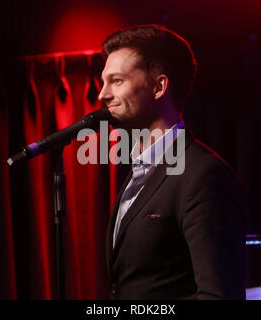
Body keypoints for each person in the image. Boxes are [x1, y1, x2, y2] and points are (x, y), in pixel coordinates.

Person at [98, 25, 246, 299]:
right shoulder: (138, 172)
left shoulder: (203, 176)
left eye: (116, 81)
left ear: (159, 87)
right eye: (104, 82)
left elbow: (219, 295)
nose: (102, 94)